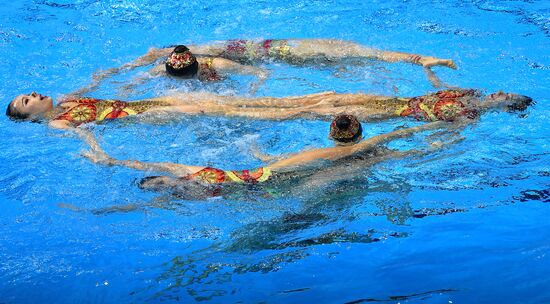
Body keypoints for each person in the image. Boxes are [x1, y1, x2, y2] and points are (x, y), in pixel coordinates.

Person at [81, 114, 451, 199]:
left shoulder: (193, 171)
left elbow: (146, 163)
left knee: (356, 163)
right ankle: (440, 146)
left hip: (262, 177)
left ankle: (438, 146)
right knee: (362, 160)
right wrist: (414, 131)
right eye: (163, 184)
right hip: (263, 181)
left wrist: (106, 158)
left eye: (162, 181)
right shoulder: (199, 182)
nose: (167, 179)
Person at [5, 89, 532, 130]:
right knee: (258, 113)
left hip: (156, 101)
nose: (31, 95)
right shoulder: (62, 124)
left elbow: (102, 85)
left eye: (26, 92)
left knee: (282, 104)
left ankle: (314, 106)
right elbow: (88, 143)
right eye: (25, 102)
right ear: (32, 118)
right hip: (155, 117)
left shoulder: (72, 99)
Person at [89, 39, 458, 92]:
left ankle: (417, 58)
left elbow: (260, 71)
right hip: (265, 53)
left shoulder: (214, 61)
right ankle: (416, 60)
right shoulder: (167, 61)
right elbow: (142, 66)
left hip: (278, 51)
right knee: (344, 63)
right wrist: (108, 82)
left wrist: (254, 86)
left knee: (348, 54)